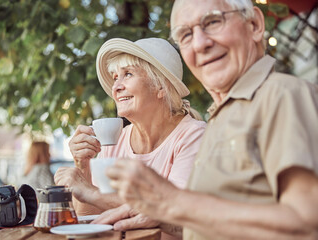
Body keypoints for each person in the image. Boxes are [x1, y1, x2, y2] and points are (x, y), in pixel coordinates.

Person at [93, 0, 318, 239]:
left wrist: (174, 202)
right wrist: (156, 210)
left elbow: (307, 222)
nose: (200, 43)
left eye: (213, 22)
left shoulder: (280, 94)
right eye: (186, 35)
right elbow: (209, 220)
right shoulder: (223, 116)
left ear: (254, 25)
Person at [54, 37, 206, 239]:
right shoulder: (115, 139)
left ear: (160, 86)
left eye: (128, 74)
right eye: (115, 77)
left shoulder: (194, 135)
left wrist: (91, 192)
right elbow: (91, 220)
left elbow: (174, 213)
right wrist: (83, 167)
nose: (116, 87)